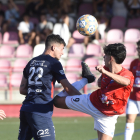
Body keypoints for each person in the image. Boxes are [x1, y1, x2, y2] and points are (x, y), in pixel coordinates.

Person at [18, 34, 95, 140]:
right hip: (41, 110)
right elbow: (68, 88)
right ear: (53, 47)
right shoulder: (54, 63)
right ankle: (86, 79)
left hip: (25, 110)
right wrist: (85, 101)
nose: (63, 52)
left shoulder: (31, 62)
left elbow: (22, 89)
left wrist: (36, 90)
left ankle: (86, 79)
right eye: (62, 49)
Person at [54, 43, 134, 140]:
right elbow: (101, 84)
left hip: (108, 116)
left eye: (106, 55)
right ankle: (85, 80)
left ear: (111, 58)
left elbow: (126, 82)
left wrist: (105, 73)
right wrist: (101, 79)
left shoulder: (126, 74)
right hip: (92, 102)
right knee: (57, 101)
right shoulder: (106, 69)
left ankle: (85, 80)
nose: (104, 57)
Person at [124, 40, 140, 140]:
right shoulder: (134, 62)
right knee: (129, 120)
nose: (139, 50)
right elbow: (130, 78)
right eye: (138, 48)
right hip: (134, 98)